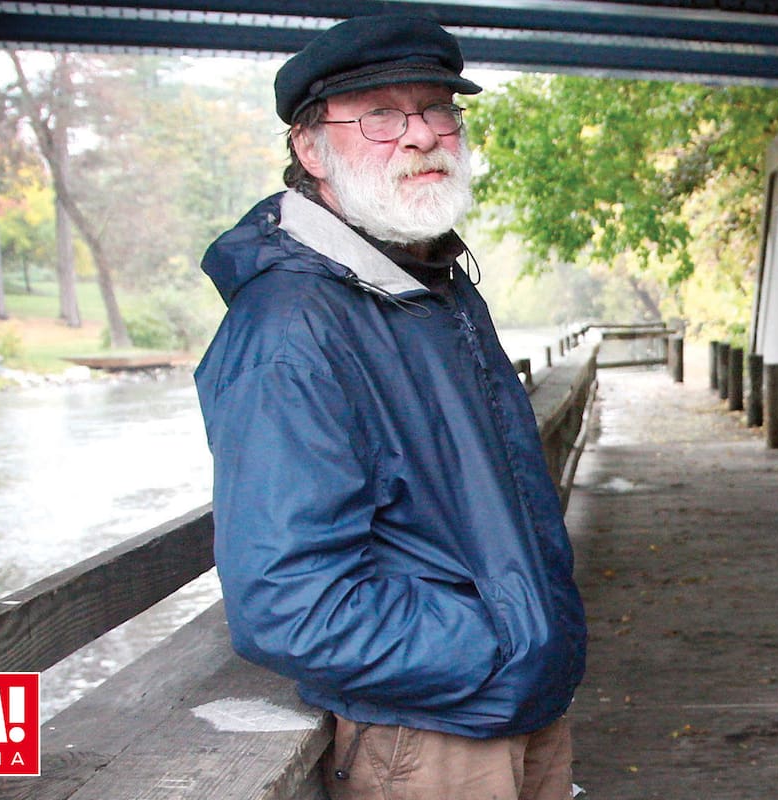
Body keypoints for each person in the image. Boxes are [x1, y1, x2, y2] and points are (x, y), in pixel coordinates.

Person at [193, 14, 587, 800]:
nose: (419, 136)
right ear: (311, 150)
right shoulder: (292, 327)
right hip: (433, 732)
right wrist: (507, 640)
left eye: (437, 109)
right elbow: (287, 600)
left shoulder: (428, 282)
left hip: (521, 699)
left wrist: (530, 643)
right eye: (379, 115)